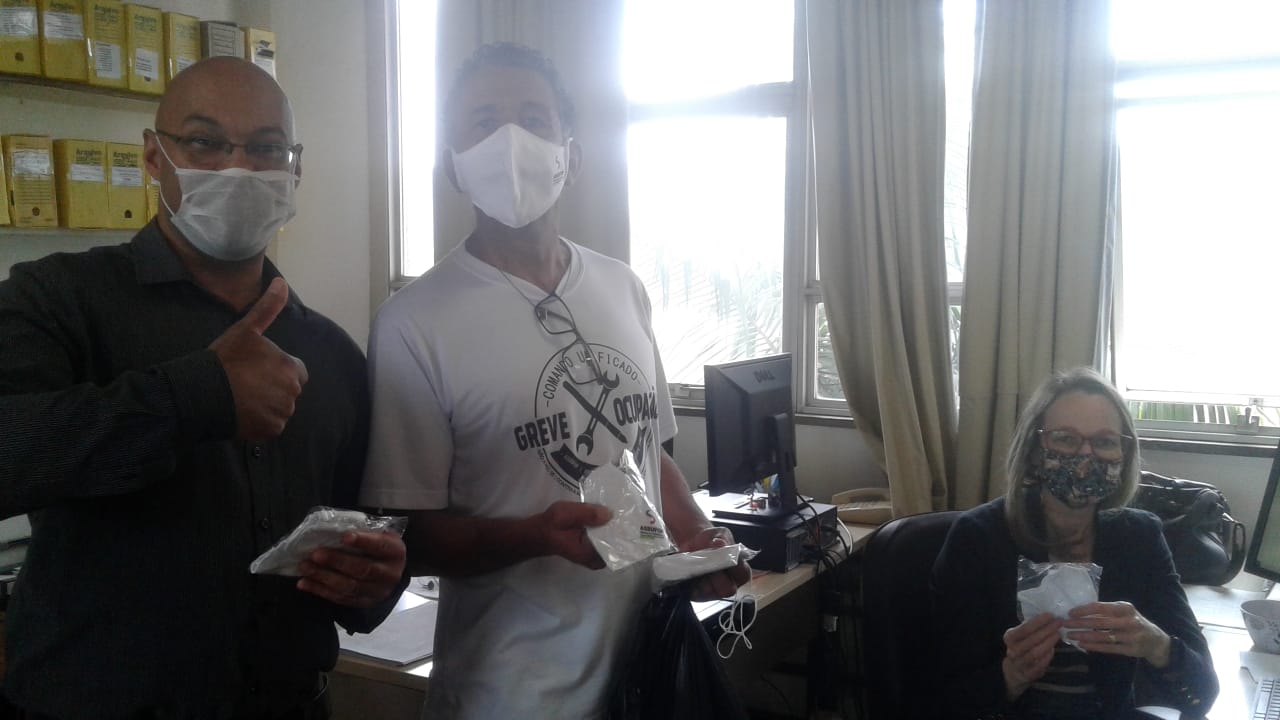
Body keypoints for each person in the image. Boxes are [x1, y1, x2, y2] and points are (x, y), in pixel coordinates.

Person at [0, 57, 408, 719]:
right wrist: (195, 396)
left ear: (295, 169)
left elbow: (363, 534)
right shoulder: (57, 299)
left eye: (266, 148)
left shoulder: (331, 352)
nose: (238, 167)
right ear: (153, 157)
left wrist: (375, 582)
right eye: (205, 142)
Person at [358, 42, 750, 719]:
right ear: (452, 165)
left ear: (572, 154)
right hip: (508, 696)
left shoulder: (622, 288)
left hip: (645, 678)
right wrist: (536, 536)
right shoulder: (413, 323)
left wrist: (697, 536)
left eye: (534, 119)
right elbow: (409, 536)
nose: (511, 140)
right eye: (484, 122)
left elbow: (645, 453)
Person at [929, 367, 1218, 719]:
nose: (1086, 455)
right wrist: (1011, 676)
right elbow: (941, 698)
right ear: (1035, 450)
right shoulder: (978, 538)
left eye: (1105, 442)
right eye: (1065, 439)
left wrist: (1156, 644)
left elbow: (1202, 694)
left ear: (1124, 454)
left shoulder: (1140, 537)